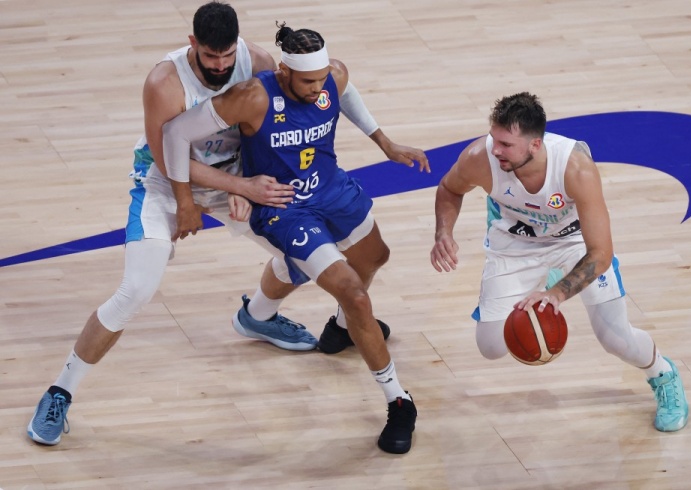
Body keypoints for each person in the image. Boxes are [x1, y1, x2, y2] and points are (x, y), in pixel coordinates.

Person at [26, 1, 407, 447]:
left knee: (304, 258)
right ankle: (60, 392)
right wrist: (216, 193)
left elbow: (268, 127)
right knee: (135, 292)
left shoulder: (259, 60)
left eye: (228, 56)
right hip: (167, 183)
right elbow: (168, 155)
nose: (222, 66)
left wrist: (243, 183)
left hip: (235, 179)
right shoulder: (164, 82)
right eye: (211, 57)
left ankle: (257, 317)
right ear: (193, 44)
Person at [162, 23, 428, 454]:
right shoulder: (253, 96)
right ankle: (399, 400)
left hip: (331, 187)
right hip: (285, 207)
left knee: (375, 257)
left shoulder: (332, 76)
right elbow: (174, 133)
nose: (317, 88)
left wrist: (385, 143)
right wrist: (188, 199)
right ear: (284, 70)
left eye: (321, 79)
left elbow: (345, 94)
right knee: (354, 293)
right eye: (307, 82)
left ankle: (340, 329)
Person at [430, 92, 689, 432]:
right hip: (515, 244)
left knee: (615, 340)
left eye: (506, 144)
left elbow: (600, 253)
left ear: (535, 145)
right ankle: (537, 271)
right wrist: (443, 232)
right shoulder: (480, 158)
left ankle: (663, 374)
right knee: (491, 346)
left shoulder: (576, 168)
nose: (496, 150)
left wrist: (556, 293)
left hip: (574, 243)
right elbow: (449, 188)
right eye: (494, 139)